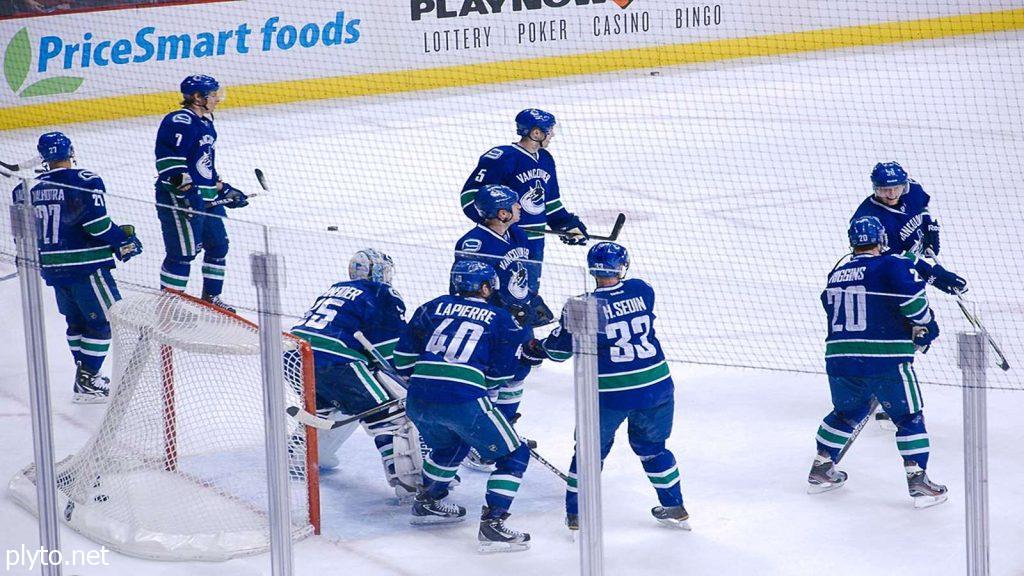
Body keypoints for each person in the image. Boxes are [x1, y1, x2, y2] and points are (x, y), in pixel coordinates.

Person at [525, 242, 689, 532]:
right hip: (657, 386)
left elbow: (561, 352)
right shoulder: (642, 289)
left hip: (611, 393)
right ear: (622, 267)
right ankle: (674, 504)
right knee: (652, 447)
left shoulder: (583, 304)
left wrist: (540, 345)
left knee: (590, 451)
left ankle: (576, 514)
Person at [808, 216, 947, 508]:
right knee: (909, 416)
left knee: (848, 411)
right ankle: (918, 480)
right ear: (881, 240)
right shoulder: (891, 264)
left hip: (839, 358)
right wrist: (925, 326)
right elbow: (913, 303)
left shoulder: (837, 272)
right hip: (885, 359)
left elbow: (828, 304)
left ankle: (821, 467)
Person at [394, 260, 532, 553]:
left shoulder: (431, 307)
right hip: (463, 398)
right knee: (515, 454)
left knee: (450, 447)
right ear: (485, 287)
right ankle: (494, 524)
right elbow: (501, 376)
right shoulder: (500, 317)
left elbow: (402, 359)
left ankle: (428, 502)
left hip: (418, 398)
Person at [12, 132, 142, 403]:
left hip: (51, 266)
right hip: (86, 267)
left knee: (77, 322)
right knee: (105, 320)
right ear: (70, 152)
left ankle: (84, 376)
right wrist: (123, 240)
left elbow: (22, 234)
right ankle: (89, 380)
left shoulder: (26, 188)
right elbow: (97, 226)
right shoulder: (85, 180)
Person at [291, 249, 420, 499]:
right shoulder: (383, 293)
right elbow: (389, 351)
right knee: (390, 414)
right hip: (335, 359)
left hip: (294, 353)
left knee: (324, 406)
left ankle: (298, 454)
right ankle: (410, 482)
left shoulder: (336, 288)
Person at [852, 161, 966, 427]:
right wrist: (937, 276)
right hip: (886, 283)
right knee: (901, 334)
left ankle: (890, 391)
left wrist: (930, 230)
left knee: (917, 335)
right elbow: (897, 264)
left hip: (909, 275)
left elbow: (923, 208)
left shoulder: (912, 190)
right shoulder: (869, 218)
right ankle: (886, 391)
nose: (891, 195)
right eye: (884, 190)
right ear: (874, 188)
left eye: (896, 188)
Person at [154, 74, 248, 311]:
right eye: (213, 94)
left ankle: (211, 298)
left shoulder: (206, 123)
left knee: (218, 246)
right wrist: (188, 195)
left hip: (205, 200)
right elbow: (170, 164)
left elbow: (204, 165)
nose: (217, 99)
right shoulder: (179, 121)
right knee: (182, 254)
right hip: (179, 200)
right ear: (197, 97)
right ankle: (169, 307)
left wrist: (223, 189)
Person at [461, 109, 589, 272]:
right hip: (505, 241)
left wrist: (564, 223)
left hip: (536, 240)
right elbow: (469, 197)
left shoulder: (546, 159)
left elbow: (549, 201)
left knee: (529, 290)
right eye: (549, 131)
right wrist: (497, 225)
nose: (552, 135)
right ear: (536, 133)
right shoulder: (503, 158)